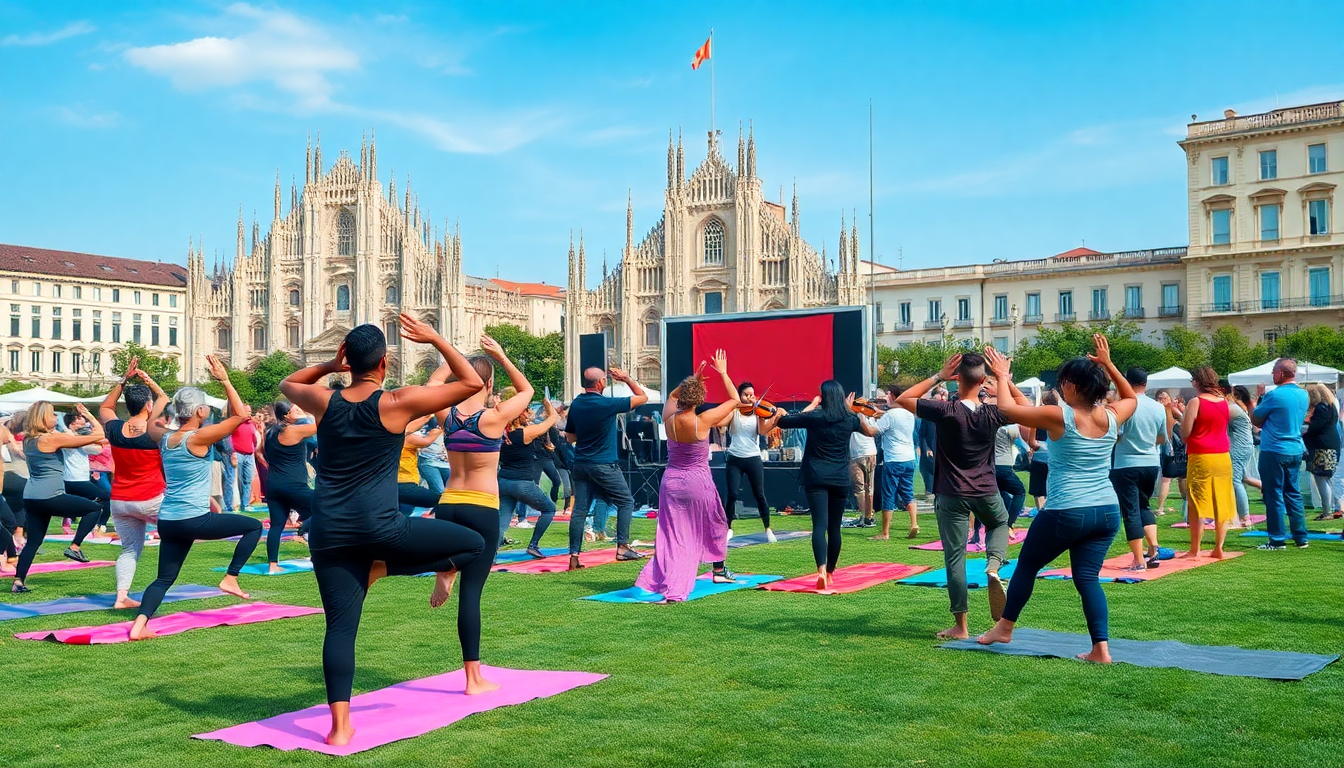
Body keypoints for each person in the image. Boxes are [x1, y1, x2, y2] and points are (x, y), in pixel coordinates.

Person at [280, 318, 488, 746]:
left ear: (348, 362)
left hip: (329, 533)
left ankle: (339, 728)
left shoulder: (325, 401)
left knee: (339, 629)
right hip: (379, 530)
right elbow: (469, 382)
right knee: (473, 544)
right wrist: (434, 338)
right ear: (385, 362)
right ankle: (382, 570)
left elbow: (288, 383)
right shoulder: (397, 401)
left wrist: (327, 367)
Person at [976, 336, 1134, 663]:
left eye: (1063, 382)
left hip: (1067, 511)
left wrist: (1004, 375)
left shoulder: (1061, 416)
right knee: (1087, 578)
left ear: (1073, 386)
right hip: (1106, 511)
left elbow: (1006, 409)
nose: (1060, 387)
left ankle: (1004, 629)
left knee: (1027, 566)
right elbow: (1131, 394)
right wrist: (1107, 363)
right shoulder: (1113, 414)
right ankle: (1100, 649)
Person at [425, 333, 545, 693]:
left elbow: (433, 384)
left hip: (448, 504)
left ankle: (445, 569)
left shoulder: (446, 417)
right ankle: (473, 678)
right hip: (481, 506)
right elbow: (527, 394)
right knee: (472, 594)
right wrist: (504, 358)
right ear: (489, 383)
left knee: (459, 574)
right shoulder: (492, 419)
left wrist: (454, 359)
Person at [128, 359, 265, 640]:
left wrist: (154, 387)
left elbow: (152, 419)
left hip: (168, 520)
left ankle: (139, 626)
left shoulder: (163, 437)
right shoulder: (199, 437)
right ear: (200, 411)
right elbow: (240, 416)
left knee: (164, 578)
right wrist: (225, 380)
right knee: (254, 527)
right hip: (193, 519)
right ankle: (231, 577)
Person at [895, 353, 1012, 640]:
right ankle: (994, 564)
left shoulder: (945, 410)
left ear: (957, 377)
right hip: (986, 490)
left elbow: (903, 398)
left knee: (955, 558)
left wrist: (938, 375)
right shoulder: (994, 412)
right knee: (999, 523)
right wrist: (1004, 378)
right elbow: (1022, 408)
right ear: (983, 381)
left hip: (951, 494)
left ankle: (961, 626)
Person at [635, 351, 741, 600]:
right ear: (699, 399)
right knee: (713, 526)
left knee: (673, 535)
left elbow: (672, 395)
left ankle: (681, 575)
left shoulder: (669, 419)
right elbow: (735, 399)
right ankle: (707, 573)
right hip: (696, 481)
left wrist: (694, 378)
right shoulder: (702, 420)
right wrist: (723, 372)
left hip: (671, 482)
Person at [763, 381, 876, 590]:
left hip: (816, 477)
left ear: (823, 397)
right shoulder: (849, 419)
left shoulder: (815, 416)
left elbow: (785, 422)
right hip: (840, 478)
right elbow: (871, 431)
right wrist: (854, 411)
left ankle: (821, 570)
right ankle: (831, 573)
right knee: (835, 528)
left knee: (819, 526)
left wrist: (777, 413)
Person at [96, 361, 170, 608]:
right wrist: (149, 382)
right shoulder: (154, 431)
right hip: (151, 499)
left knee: (129, 549)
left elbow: (106, 406)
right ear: (149, 406)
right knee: (185, 531)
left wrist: (123, 380)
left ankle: (121, 597)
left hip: (120, 501)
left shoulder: (115, 428)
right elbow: (165, 397)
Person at [11, 402, 106, 592]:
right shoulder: (50, 439)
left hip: (31, 497)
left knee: (34, 542)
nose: (56, 418)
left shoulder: (29, 439)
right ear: (43, 418)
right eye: (53, 415)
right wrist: (88, 415)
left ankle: (18, 582)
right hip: (49, 496)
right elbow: (99, 436)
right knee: (94, 508)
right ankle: (75, 546)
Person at [565, 365, 650, 568]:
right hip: (603, 463)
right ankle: (622, 547)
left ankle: (574, 556)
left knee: (580, 510)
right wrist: (627, 378)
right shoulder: (606, 404)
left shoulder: (576, 404)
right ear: (601, 383)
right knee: (626, 502)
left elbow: (570, 437)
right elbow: (642, 397)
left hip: (581, 463)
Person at [1109, 367, 1165, 570]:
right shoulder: (1158, 407)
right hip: (1151, 462)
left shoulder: (1124, 405)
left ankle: (1138, 560)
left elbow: (1116, 435)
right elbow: (1162, 438)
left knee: (1130, 510)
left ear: (1126, 381)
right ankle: (1153, 548)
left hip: (1126, 464)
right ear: (1146, 384)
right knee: (1144, 506)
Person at [1251, 359, 1311, 550]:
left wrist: (1259, 398)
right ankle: (1301, 537)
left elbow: (1256, 418)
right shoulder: (1304, 394)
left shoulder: (1274, 395)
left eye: (1274, 372)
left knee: (1274, 494)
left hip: (1274, 449)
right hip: (1295, 449)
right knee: (1293, 493)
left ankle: (1277, 539)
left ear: (1282, 373)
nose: (1272, 375)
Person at [1179, 367, 1235, 559]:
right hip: (1222, 456)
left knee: (1197, 502)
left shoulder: (1196, 402)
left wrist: (1181, 417)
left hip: (1201, 456)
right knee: (1222, 499)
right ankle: (1219, 547)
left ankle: (1194, 549)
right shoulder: (1224, 402)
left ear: (1197, 382)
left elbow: (1185, 434)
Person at [257, 402, 319, 572]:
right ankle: (314, 549)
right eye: (296, 410)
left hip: (274, 485)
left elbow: (259, 451)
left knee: (277, 525)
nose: (300, 410)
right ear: (286, 416)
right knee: (326, 509)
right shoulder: (292, 430)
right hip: (293, 485)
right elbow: (323, 425)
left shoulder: (270, 432)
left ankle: (273, 565)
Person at [499, 401, 561, 558]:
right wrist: (547, 403)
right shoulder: (526, 434)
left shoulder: (501, 434)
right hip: (521, 482)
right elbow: (554, 417)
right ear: (519, 415)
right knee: (549, 509)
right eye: (526, 412)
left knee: (502, 522)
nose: (529, 414)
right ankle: (533, 545)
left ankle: (490, 556)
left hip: (503, 481)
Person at [719, 382, 777, 543]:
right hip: (735, 458)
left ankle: (768, 528)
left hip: (753, 458)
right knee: (732, 494)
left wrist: (772, 417)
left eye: (752, 395)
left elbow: (763, 431)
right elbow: (720, 422)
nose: (750, 398)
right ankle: (728, 528)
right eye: (746, 395)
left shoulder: (757, 413)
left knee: (760, 494)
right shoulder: (734, 412)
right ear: (739, 396)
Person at [872, 386, 919, 540]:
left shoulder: (890, 415)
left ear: (892, 395)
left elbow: (874, 430)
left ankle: (885, 533)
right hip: (909, 458)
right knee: (908, 493)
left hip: (893, 459)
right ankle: (914, 524)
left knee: (889, 494)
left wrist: (861, 418)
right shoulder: (909, 413)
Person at [59, 410, 111, 545]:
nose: (83, 420)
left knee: (85, 502)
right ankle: (95, 528)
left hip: (80, 478)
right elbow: (96, 448)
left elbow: (97, 448)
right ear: (73, 422)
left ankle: (69, 519)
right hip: (75, 479)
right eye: (80, 418)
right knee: (105, 496)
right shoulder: (67, 436)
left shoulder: (81, 435)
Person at [1304, 383, 1341, 520]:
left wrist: (1304, 429)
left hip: (1322, 447)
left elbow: (1316, 427)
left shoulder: (1321, 407)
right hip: (1331, 445)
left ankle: (1327, 511)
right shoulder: (1331, 406)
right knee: (1326, 478)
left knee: (1321, 478)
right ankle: (1330, 509)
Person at [395, 417, 443, 518]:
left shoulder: (387, 435)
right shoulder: (408, 438)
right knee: (443, 501)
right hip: (405, 484)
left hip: (391, 484)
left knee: (404, 512)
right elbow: (427, 441)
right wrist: (439, 428)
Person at [1227, 386, 1259, 529]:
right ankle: (1267, 489)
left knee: (1235, 481)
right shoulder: (1239, 408)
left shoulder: (1232, 408)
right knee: (1244, 478)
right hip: (1244, 445)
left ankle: (1245, 518)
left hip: (1238, 447)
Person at [1025, 390, 1055, 517]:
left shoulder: (1037, 418)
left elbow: (1032, 442)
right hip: (1055, 458)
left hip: (1040, 458)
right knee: (1052, 489)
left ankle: (1042, 515)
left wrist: (1039, 447)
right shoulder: (1062, 416)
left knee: (1039, 491)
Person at [847, 411, 879, 528]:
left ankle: (864, 515)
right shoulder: (872, 416)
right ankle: (869, 516)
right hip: (871, 453)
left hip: (857, 454)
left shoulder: (853, 417)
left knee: (859, 488)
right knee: (869, 487)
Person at [228, 405, 261, 512]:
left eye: (250, 411)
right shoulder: (235, 423)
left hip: (249, 455)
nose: (249, 413)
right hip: (238, 454)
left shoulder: (251, 424)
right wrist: (232, 452)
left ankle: (245, 504)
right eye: (247, 411)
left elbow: (254, 439)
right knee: (236, 480)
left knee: (247, 480)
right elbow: (228, 439)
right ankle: (232, 505)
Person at [417, 417, 453, 496]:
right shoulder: (425, 421)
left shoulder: (452, 420)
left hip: (446, 463)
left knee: (453, 491)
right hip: (428, 462)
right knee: (439, 492)